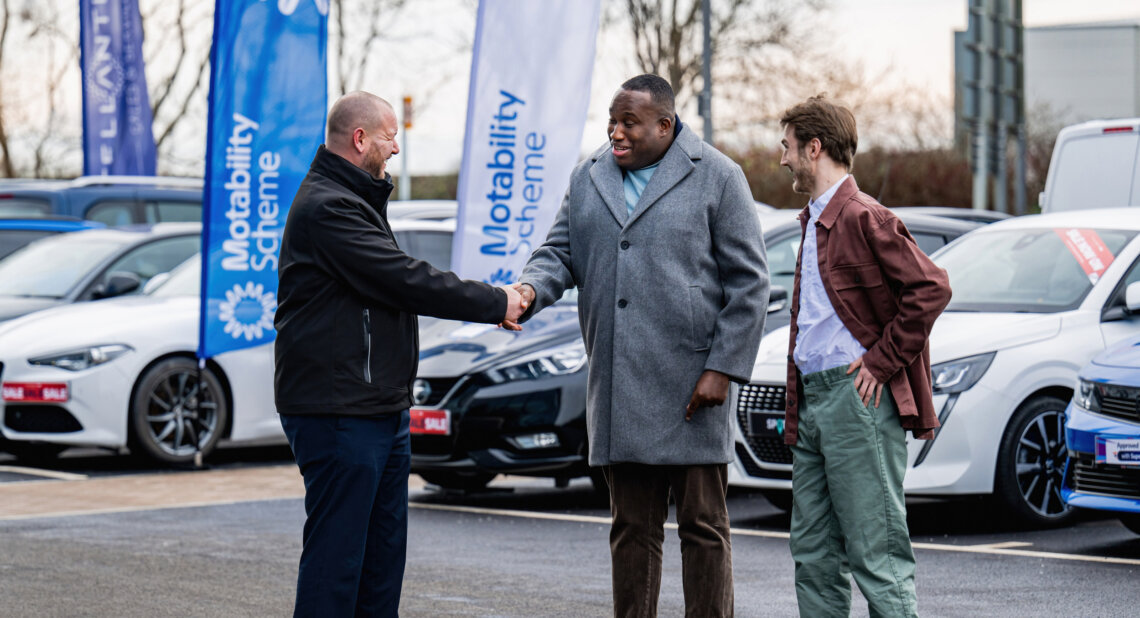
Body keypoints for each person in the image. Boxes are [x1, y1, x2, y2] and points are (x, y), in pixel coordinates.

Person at [510, 74, 769, 617]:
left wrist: (722, 368)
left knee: (703, 528)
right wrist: (531, 289)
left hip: (694, 388)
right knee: (632, 529)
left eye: (629, 122)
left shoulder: (719, 177)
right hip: (620, 383)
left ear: (665, 125)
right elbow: (559, 253)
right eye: (612, 120)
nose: (616, 131)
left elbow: (750, 284)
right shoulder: (588, 177)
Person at [274, 91, 526, 617]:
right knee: (337, 563)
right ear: (360, 138)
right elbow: (404, 279)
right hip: (340, 409)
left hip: (377, 407)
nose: (395, 149)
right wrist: (495, 299)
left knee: (381, 561)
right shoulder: (328, 207)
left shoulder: (355, 199)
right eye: (390, 136)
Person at [778, 95, 952, 617]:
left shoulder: (862, 215)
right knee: (814, 555)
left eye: (787, 147)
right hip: (812, 400)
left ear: (814, 147)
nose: (781, 158)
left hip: (855, 401)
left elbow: (931, 288)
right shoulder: (814, 219)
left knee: (877, 556)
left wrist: (880, 362)